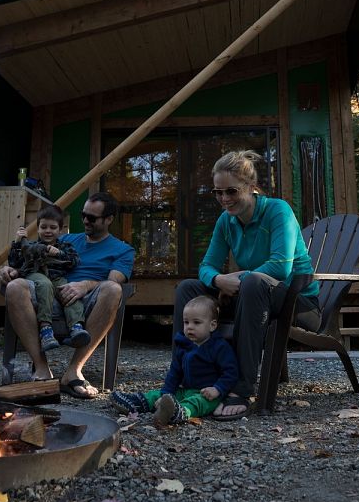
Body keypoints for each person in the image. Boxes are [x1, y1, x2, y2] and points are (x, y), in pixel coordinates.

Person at [174, 150, 319, 420]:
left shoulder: (278, 211)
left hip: (299, 302)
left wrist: (238, 278)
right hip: (253, 297)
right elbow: (207, 266)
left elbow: (280, 267)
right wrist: (218, 280)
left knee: (253, 281)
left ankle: (241, 388)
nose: (224, 199)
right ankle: (186, 378)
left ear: (251, 187)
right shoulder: (226, 221)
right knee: (188, 288)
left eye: (231, 191)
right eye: (217, 192)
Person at [0, 191, 135, 399]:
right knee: (15, 286)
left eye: (92, 218)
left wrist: (85, 286)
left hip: (89, 300)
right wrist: (10, 270)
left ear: (108, 220)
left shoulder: (123, 250)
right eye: (83, 215)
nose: (85, 221)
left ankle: (73, 372)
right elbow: (34, 258)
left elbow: (113, 280)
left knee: (113, 290)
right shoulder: (67, 240)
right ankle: (42, 369)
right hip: (51, 294)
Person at [111, 296, 238, 426]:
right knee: (159, 395)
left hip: (208, 393)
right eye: (186, 322)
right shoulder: (184, 345)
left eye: (196, 322)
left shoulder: (219, 347)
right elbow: (174, 373)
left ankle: (180, 412)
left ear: (212, 325)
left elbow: (231, 372)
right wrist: (166, 393)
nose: (190, 327)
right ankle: (136, 403)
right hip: (185, 389)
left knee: (197, 402)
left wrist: (218, 389)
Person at [5, 205, 88, 352]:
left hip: (57, 277)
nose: (48, 231)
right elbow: (14, 262)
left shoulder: (65, 246)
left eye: (53, 227)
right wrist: (17, 242)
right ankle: (46, 330)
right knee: (44, 284)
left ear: (60, 230)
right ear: (37, 229)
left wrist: (59, 254)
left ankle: (76, 327)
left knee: (68, 291)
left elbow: (74, 262)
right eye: (44, 227)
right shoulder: (31, 245)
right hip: (36, 275)